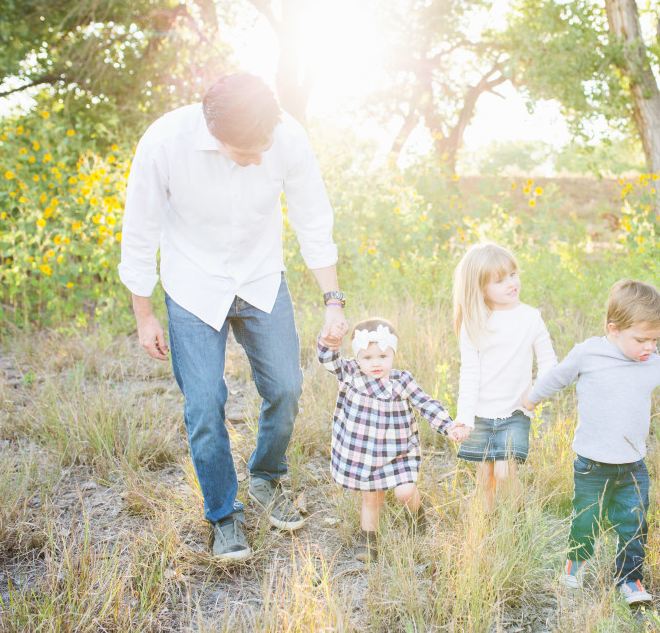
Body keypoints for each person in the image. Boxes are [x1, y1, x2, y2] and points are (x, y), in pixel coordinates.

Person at [118, 72, 349, 561]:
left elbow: (312, 218)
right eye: (246, 152)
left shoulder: (285, 138)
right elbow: (139, 231)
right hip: (192, 287)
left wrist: (333, 300)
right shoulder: (164, 142)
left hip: (262, 278)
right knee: (204, 403)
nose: (259, 159)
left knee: (286, 387)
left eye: (264, 146)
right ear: (214, 132)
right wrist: (144, 315)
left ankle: (267, 476)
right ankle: (224, 514)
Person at [522, 279, 660, 606]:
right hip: (592, 463)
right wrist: (533, 398)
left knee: (635, 524)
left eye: (655, 339)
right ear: (613, 329)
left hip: (633, 465)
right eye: (641, 339)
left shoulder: (652, 364)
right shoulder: (589, 353)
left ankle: (630, 579)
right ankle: (574, 566)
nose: (649, 347)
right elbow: (558, 376)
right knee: (586, 520)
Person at [318, 318, 468, 561]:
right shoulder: (350, 373)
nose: (376, 363)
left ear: (393, 354)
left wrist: (447, 424)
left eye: (383, 356)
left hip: (398, 451)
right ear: (357, 358)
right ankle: (369, 538)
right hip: (365, 454)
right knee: (372, 495)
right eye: (367, 358)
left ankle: (416, 516)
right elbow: (327, 358)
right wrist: (330, 339)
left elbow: (425, 403)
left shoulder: (402, 381)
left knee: (405, 491)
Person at [451, 243, 557, 512]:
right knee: (485, 477)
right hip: (481, 413)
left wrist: (535, 395)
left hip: (515, 410)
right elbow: (469, 374)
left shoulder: (531, 318)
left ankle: (517, 522)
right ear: (481, 288)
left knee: (504, 472)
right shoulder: (474, 322)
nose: (511, 283)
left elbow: (549, 362)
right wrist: (464, 418)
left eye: (513, 274)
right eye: (500, 280)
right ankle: (486, 529)